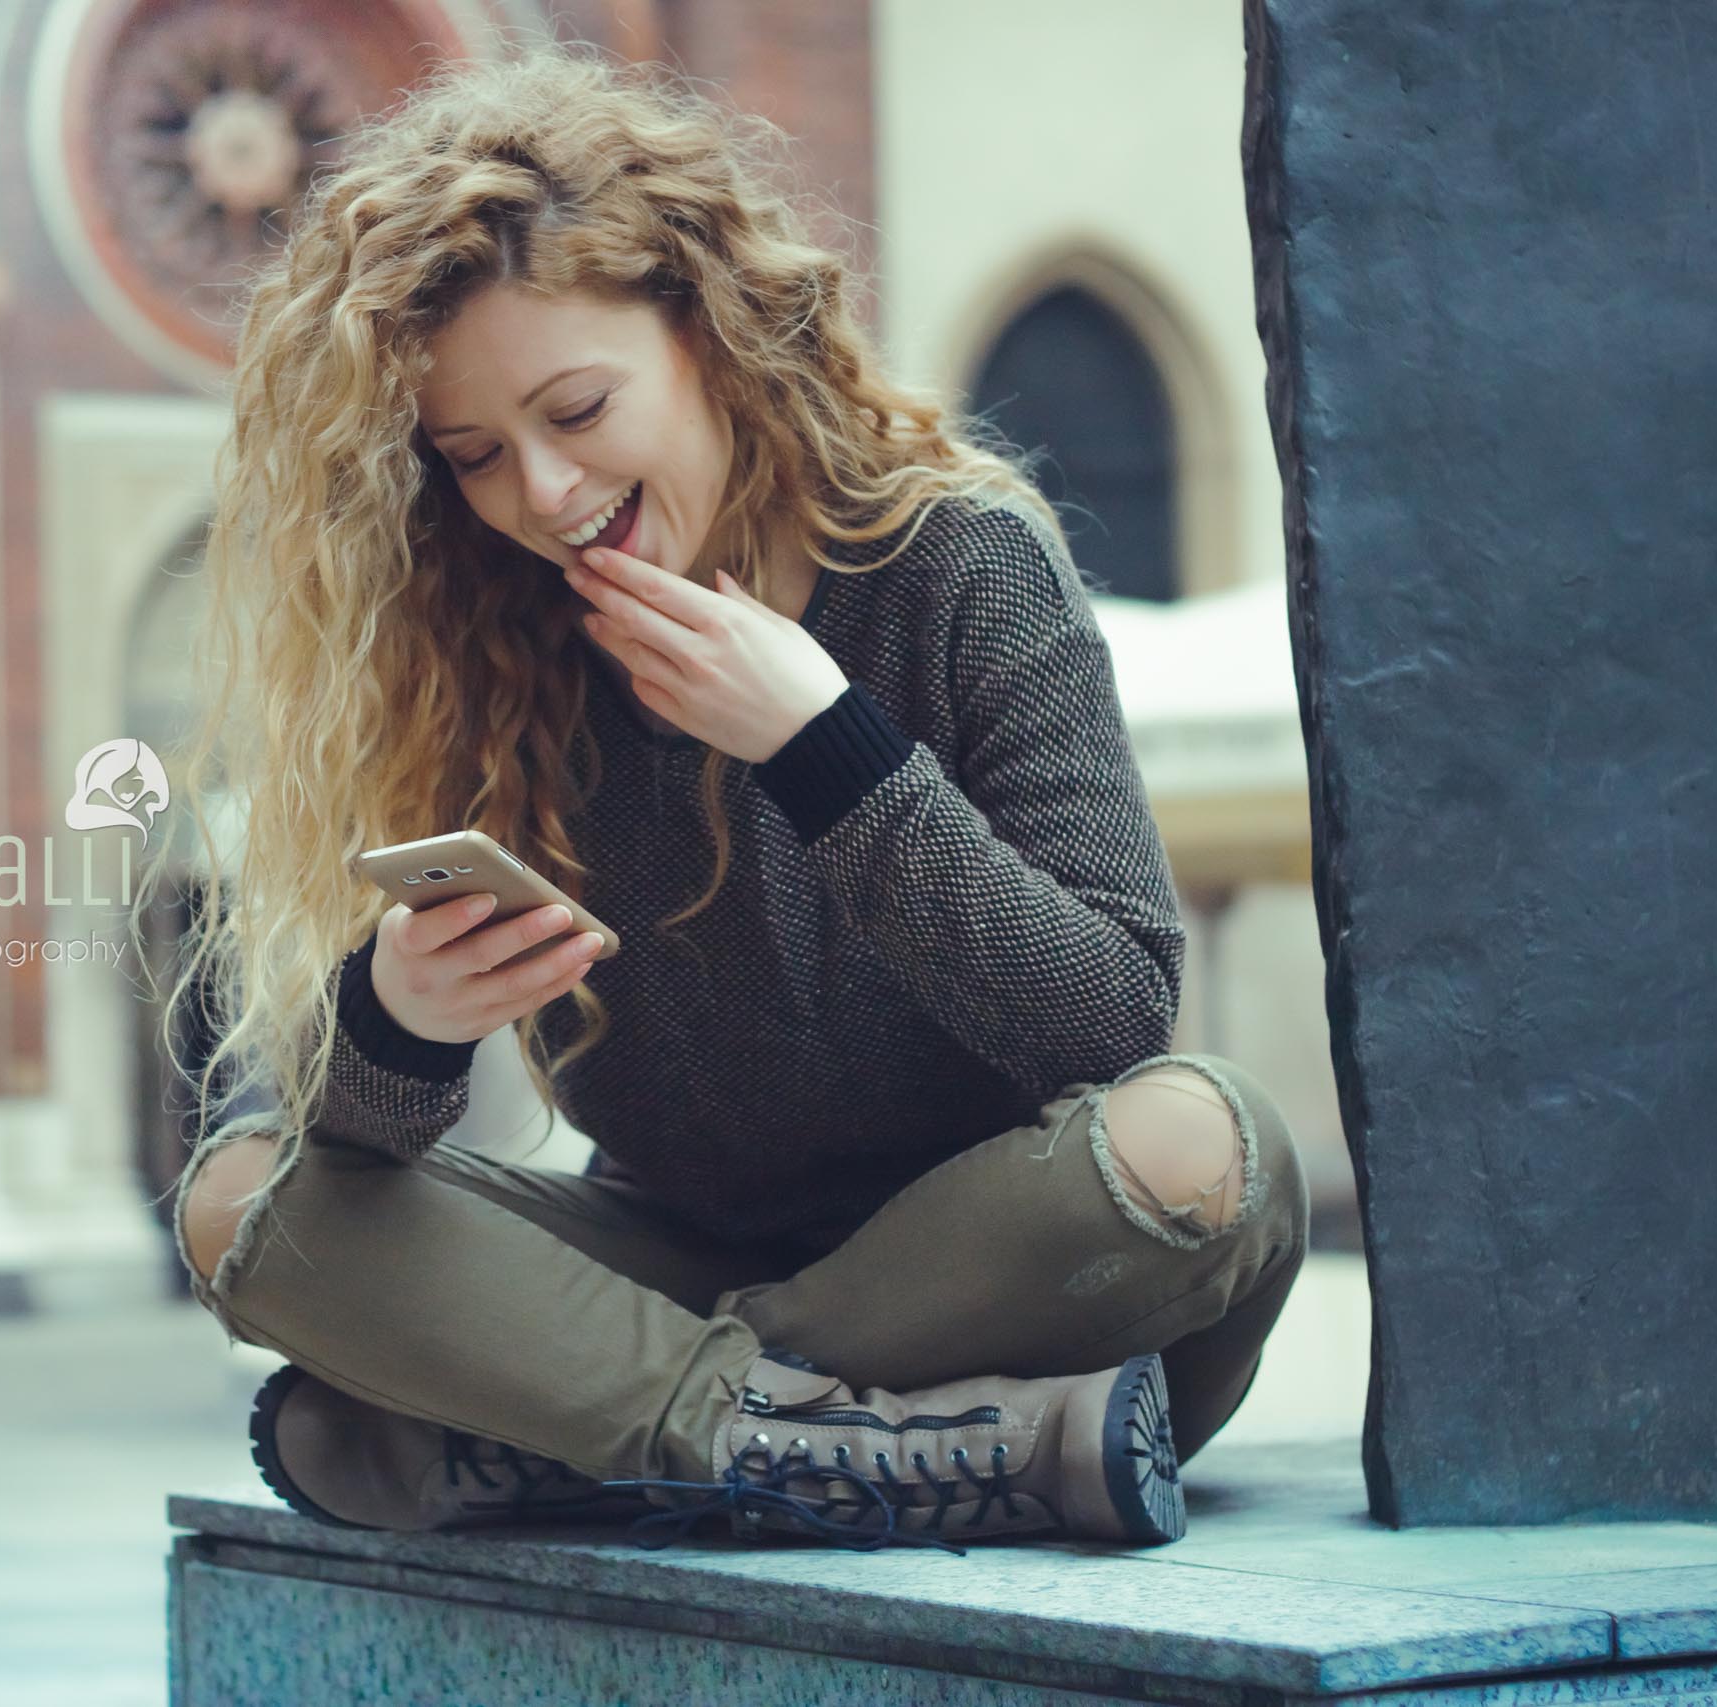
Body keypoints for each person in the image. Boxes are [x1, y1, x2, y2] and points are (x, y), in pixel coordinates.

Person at [147, 51, 1307, 1553]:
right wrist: (398, 1020)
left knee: (1203, 1150)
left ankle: (614, 1435)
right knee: (241, 1201)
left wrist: (829, 748)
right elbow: (345, 1160)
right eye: (477, 455)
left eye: (578, 409)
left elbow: (1109, 1023)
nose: (545, 494)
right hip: (684, 1251)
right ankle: (846, 1448)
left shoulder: (957, 565)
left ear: (705, 328)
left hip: (1007, 1271)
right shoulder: (490, 649)